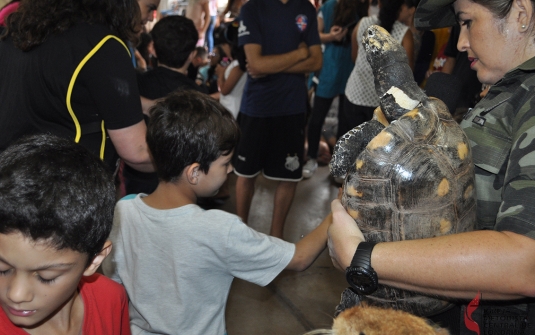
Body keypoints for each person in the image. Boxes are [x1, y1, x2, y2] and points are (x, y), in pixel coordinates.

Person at [328, 0, 535, 332]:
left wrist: (363, 257)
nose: (461, 42)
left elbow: (528, 264)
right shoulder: (504, 90)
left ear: (521, 14)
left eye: (467, 22)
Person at [102, 90, 331, 335]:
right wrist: (336, 213)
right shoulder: (219, 229)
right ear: (194, 172)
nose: (230, 169)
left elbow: (114, 285)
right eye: (225, 163)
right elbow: (299, 258)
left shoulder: (123, 212)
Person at [0, 0, 153, 174]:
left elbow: (59, 91)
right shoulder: (102, 45)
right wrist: (182, 158)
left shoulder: (15, 31)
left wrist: (146, 105)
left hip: (11, 177)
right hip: (66, 184)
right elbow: (138, 152)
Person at [0, 134, 130, 335]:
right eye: (2, 269)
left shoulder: (111, 299)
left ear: (95, 259)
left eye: (46, 277)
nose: (17, 294)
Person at [235, 0, 323, 238]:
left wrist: (270, 66)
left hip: (292, 107)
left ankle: (277, 239)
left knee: (289, 177)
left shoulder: (306, 9)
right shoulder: (252, 9)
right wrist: (298, 54)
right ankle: (239, 235)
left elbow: (316, 61)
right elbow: (255, 63)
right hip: (256, 108)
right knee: (245, 175)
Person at [123, 15, 205, 196]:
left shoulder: (134, 84)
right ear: (192, 54)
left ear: (152, 48)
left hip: (136, 183)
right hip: (182, 188)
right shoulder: (199, 98)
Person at [302, 0, 368, 179]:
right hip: (329, 67)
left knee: (344, 121)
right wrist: (331, 36)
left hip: (349, 68)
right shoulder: (327, 7)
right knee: (317, 118)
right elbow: (314, 35)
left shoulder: (360, 8)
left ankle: (339, 164)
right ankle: (312, 157)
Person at [339, 0, 413, 144]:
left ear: (379, 4)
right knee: (375, 154)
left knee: (352, 148)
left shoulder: (363, 23)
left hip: (355, 95)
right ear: (401, 7)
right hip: (382, 106)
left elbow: (354, 57)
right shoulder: (404, 34)